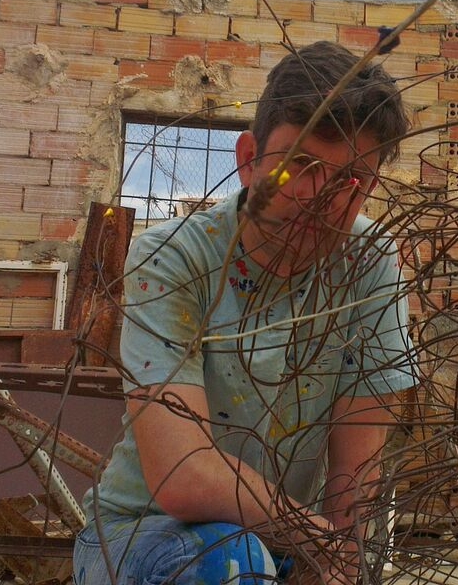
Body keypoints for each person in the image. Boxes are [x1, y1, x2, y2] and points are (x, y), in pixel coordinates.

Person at [74, 41, 416, 585]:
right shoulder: (176, 257)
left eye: (349, 181)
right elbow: (185, 475)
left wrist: (339, 562)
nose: (317, 197)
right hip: (141, 535)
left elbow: (358, 470)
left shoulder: (369, 261)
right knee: (228, 562)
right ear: (248, 160)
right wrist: (315, 538)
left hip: (286, 541)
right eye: (300, 164)